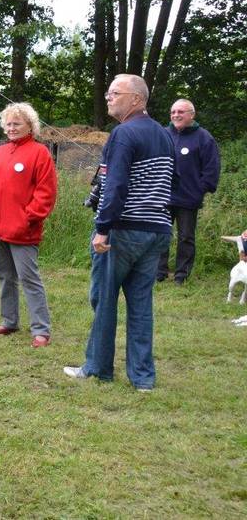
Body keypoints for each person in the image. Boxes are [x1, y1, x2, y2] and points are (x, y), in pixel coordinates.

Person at [65, 74, 175, 392]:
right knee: (141, 304)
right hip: (157, 230)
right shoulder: (165, 134)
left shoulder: (123, 133)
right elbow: (172, 184)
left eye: (116, 92)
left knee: (104, 298)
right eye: (109, 91)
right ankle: (143, 378)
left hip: (123, 231)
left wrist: (102, 229)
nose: (108, 96)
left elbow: (115, 185)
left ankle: (98, 368)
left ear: (136, 99)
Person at [0, 103, 58, 348]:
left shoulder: (39, 153)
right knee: (5, 276)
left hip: (23, 230)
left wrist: (28, 217)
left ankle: (41, 330)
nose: (11, 128)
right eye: (8, 124)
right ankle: (9, 321)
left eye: (17, 124)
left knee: (29, 278)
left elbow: (46, 193)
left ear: (29, 126)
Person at [156, 98, 220, 285]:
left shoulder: (204, 137)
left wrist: (200, 190)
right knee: (161, 234)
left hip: (188, 198)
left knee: (186, 237)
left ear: (192, 115)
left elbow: (211, 168)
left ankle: (181, 275)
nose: (176, 115)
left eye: (180, 112)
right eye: (173, 112)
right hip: (163, 196)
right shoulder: (163, 134)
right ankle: (159, 272)